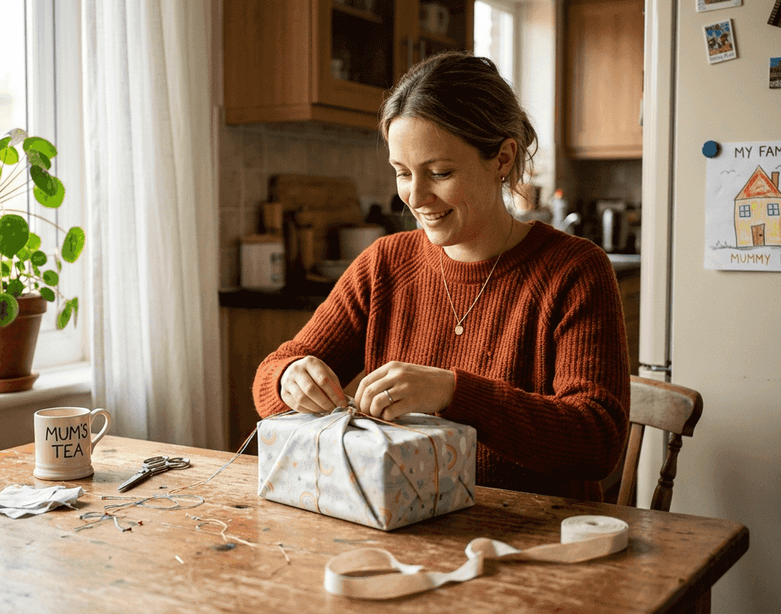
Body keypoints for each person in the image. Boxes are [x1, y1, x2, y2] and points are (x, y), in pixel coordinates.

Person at [252, 52, 630, 501]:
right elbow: (269, 380)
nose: (416, 196)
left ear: (503, 159)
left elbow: (597, 440)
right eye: (402, 173)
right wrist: (289, 376)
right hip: (406, 526)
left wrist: (453, 392)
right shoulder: (384, 263)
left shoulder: (574, 270)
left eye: (440, 173)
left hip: (538, 540)